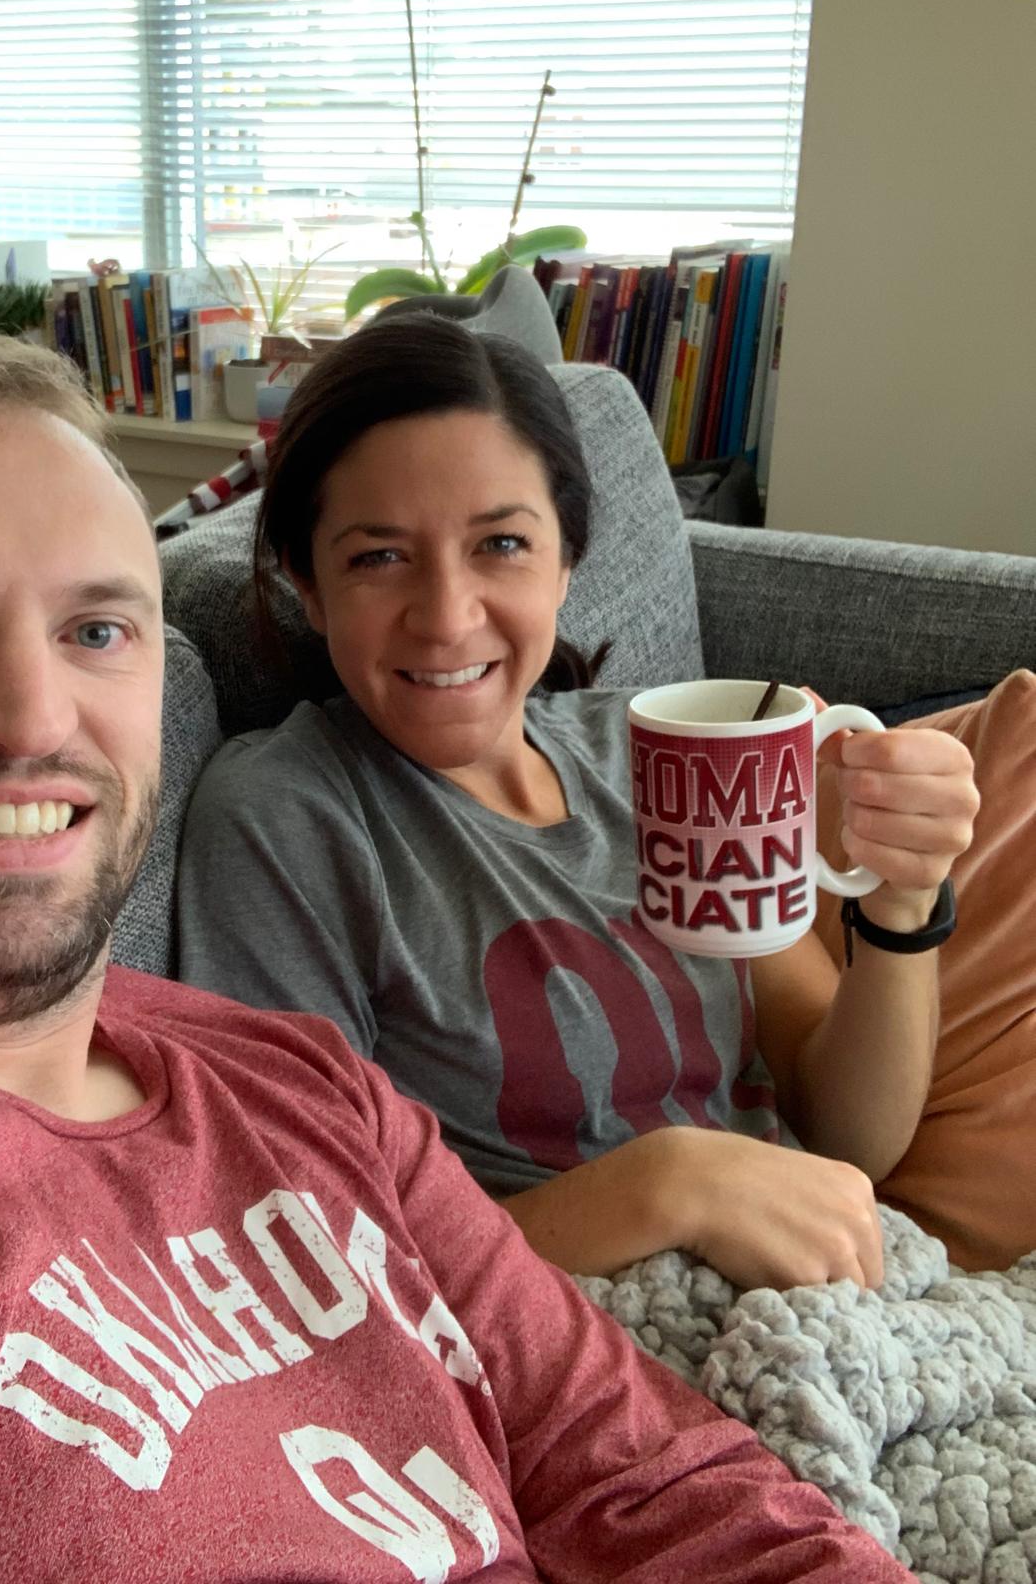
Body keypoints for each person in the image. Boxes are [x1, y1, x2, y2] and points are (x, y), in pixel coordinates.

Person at [0, 332, 912, 1582]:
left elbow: (657, 1477)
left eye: (97, 631)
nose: (31, 718)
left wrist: (904, 905)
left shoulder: (298, 1084)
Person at [175, 313, 980, 1290]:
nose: (446, 616)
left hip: (839, 1291)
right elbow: (311, 1259)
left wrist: (900, 903)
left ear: (568, 560)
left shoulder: (663, 755)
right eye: (378, 557)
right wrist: (667, 1186)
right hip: (582, 1360)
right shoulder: (284, 819)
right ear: (307, 580)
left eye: (501, 544)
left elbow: (847, 1131)